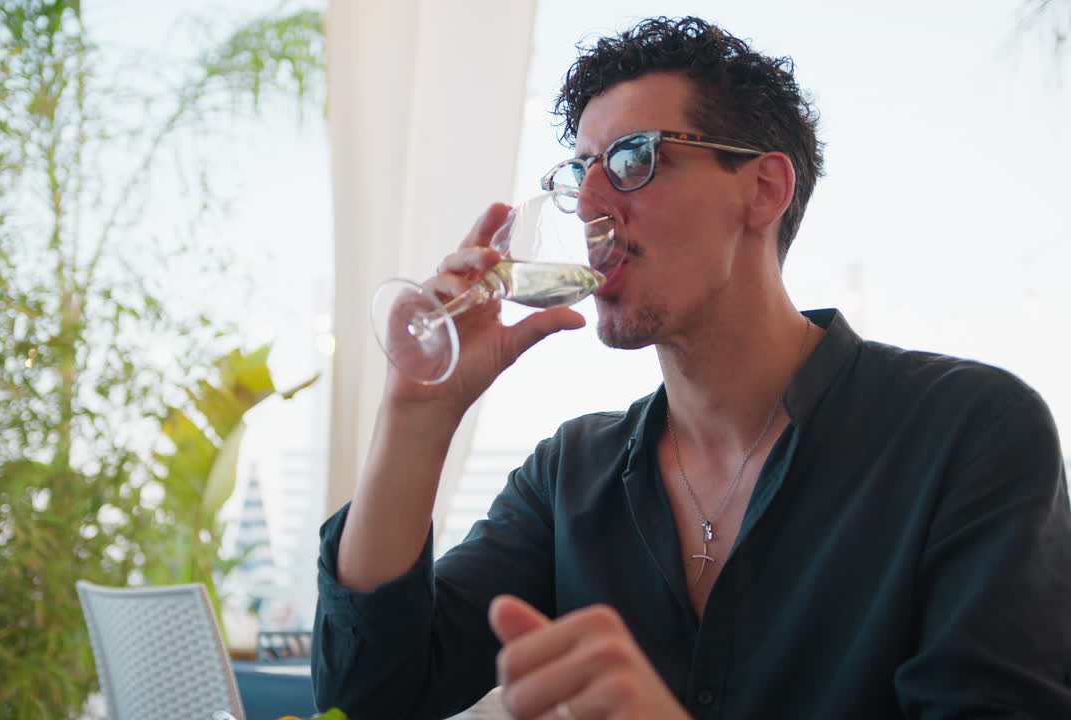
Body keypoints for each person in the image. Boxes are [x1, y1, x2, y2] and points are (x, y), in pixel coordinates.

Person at [312, 16, 1071, 720]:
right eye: (580, 171)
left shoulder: (970, 434)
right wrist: (417, 414)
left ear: (764, 190)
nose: (586, 206)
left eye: (633, 158)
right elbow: (374, 693)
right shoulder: (569, 477)